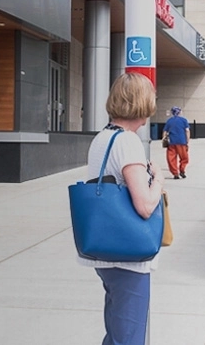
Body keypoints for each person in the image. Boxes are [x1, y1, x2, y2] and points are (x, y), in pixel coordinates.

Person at [79, 72, 165, 345]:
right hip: (128, 257)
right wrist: (159, 181)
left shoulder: (103, 138)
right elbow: (145, 205)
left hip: (106, 254)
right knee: (128, 338)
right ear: (143, 104)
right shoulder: (127, 142)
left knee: (117, 332)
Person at [163, 106, 190, 179]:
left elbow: (165, 131)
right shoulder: (184, 120)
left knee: (171, 158)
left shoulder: (169, 121)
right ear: (179, 112)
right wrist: (187, 140)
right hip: (182, 141)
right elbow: (187, 131)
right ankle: (182, 170)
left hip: (172, 142)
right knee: (184, 158)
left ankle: (175, 173)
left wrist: (164, 140)